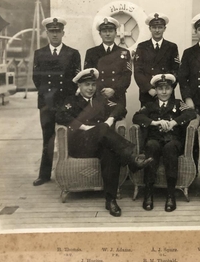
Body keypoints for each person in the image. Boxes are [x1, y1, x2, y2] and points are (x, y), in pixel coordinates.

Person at [56, 68, 153, 217]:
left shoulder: (100, 100)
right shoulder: (72, 101)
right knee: (104, 131)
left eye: (93, 85)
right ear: (79, 86)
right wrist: (84, 127)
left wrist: (110, 119)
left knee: (110, 153)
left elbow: (121, 108)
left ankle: (111, 200)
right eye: (87, 85)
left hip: (100, 143)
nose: (90, 88)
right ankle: (132, 157)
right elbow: (60, 116)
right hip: (80, 145)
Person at [132, 74, 196, 212]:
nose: (164, 92)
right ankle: (148, 194)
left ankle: (170, 194)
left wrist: (174, 122)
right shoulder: (150, 105)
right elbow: (136, 117)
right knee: (151, 146)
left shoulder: (178, 103)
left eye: (167, 88)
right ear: (156, 90)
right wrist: (155, 122)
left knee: (170, 148)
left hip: (173, 140)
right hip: (155, 139)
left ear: (172, 89)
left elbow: (191, 114)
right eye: (161, 88)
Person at [32, 17, 81, 186]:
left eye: (57, 31)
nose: (55, 35)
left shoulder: (72, 53)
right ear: (47, 33)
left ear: (63, 33)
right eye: (51, 31)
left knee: (70, 136)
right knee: (48, 138)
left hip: (66, 102)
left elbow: (76, 78)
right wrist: (47, 97)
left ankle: (71, 172)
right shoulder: (39, 53)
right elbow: (36, 79)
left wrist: (69, 101)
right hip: (47, 103)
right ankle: (44, 175)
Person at [84, 16, 132, 107]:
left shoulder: (124, 52)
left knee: (118, 120)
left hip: (117, 97)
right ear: (100, 34)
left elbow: (126, 76)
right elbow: (88, 76)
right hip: (97, 96)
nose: (107, 34)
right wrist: (101, 90)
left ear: (115, 33)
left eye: (110, 31)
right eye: (104, 31)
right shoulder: (91, 53)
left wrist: (113, 90)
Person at [134, 13, 180, 106]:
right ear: (150, 29)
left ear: (164, 28)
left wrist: (167, 89)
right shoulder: (142, 47)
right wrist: (148, 89)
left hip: (166, 93)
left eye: (160, 27)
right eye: (154, 27)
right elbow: (138, 71)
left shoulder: (171, 47)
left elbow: (176, 70)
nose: (157, 30)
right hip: (148, 94)